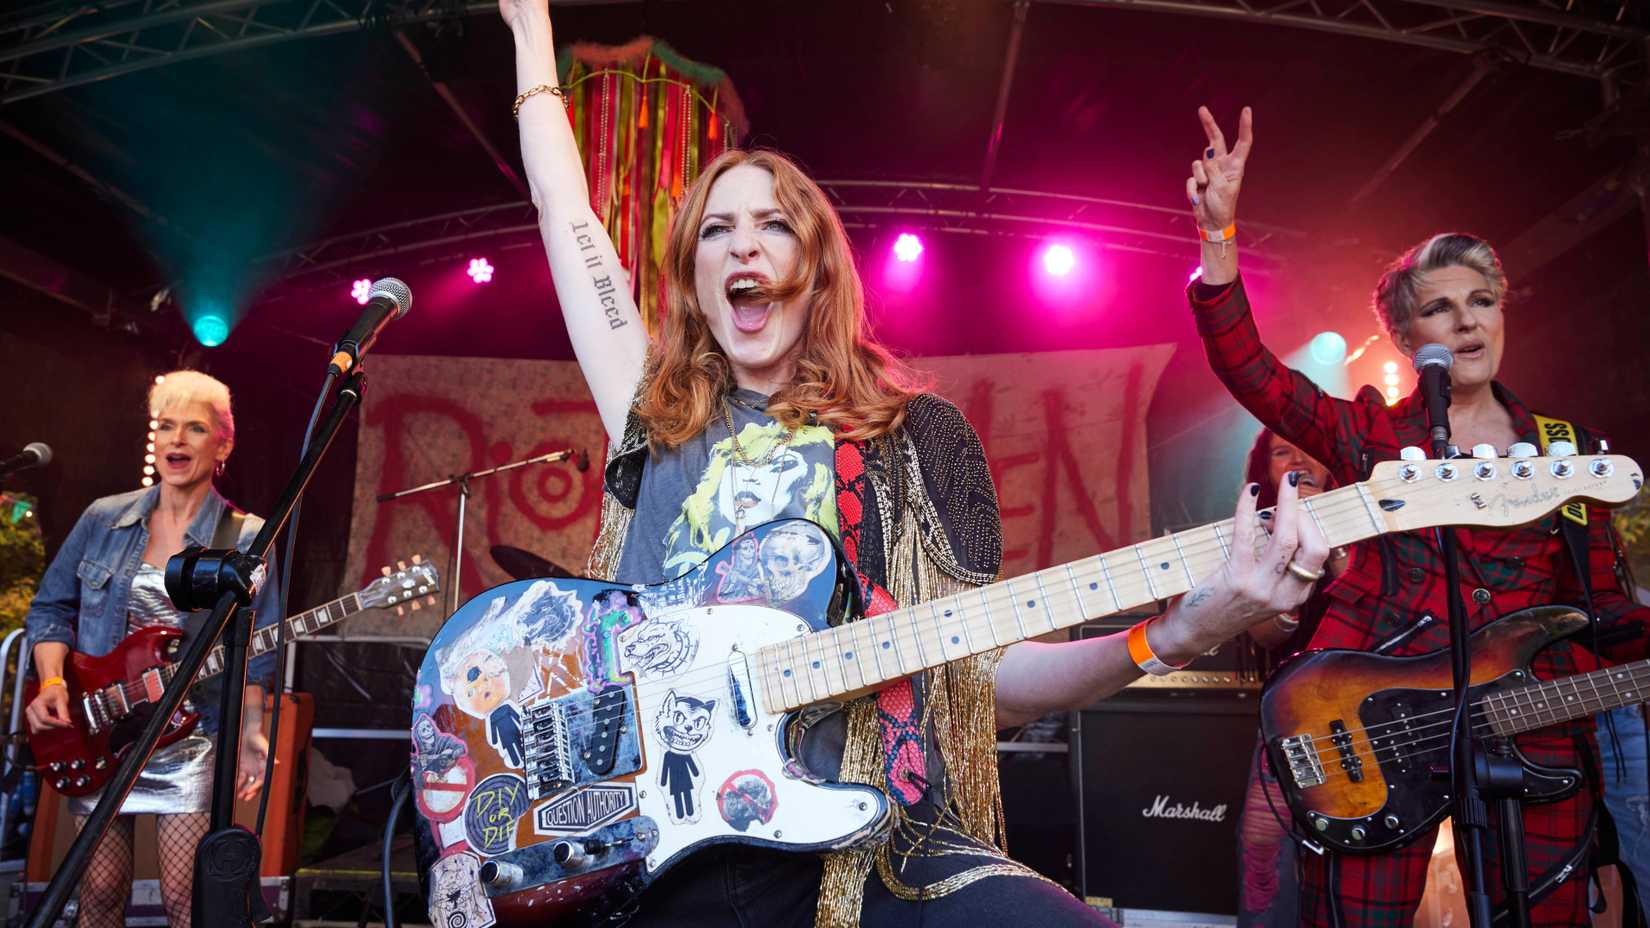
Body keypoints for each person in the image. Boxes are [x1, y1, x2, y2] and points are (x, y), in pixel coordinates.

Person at [491, 2, 1332, 925]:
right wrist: (532, 35)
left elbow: (981, 676)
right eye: (716, 229)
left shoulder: (913, 437)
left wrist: (1171, 636)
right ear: (693, 271)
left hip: (866, 848)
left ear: (813, 266)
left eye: (772, 226)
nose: (742, 245)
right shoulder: (656, 412)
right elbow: (563, 215)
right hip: (663, 848)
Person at [1183, 105, 1650, 926]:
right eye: (1441, 308)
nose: (1468, 320)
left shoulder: (1564, 451)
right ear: (1402, 333)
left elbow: (1604, 611)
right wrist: (1220, 237)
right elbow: (1252, 372)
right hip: (1375, 724)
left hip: (1528, 729)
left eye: (1483, 301)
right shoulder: (1368, 434)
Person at [23, 371, 282, 928]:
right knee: (97, 893)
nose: (176, 440)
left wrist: (254, 734)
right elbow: (50, 610)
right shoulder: (103, 518)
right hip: (101, 726)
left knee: (185, 902)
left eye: (194, 428)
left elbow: (258, 649)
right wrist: (51, 683)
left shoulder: (245, 536)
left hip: (189, 735)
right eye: (166, 426)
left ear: (223, 444)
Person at [1233, 430, 1348, 928]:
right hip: (1294, 710)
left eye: (1308, 447)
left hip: (1373, 702)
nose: (1299, 459)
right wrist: (1298, 563)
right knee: (1263, 839)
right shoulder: (1258, 534)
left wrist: (1337, 535)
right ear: (1267, 471)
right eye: (1283, 452)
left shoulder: (1368, 513)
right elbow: (1264, 634)